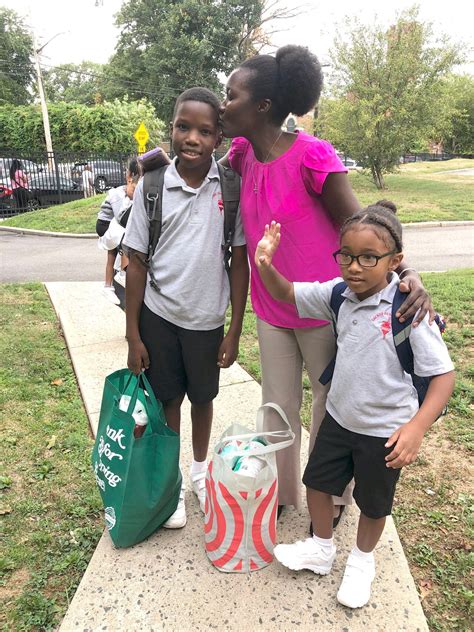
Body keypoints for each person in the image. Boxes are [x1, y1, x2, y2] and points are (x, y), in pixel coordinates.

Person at [219, 44, 432, 518]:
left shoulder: (312, 156)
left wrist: (404, 270)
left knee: (327, 401)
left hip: (322, 308)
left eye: (230, 95)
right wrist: (151, 159)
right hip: (272, 307)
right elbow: (196, 142)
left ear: (263, 107)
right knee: (276, 405)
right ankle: (281, 493)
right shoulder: (241, 154)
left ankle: (331, 493)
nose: (222, 104)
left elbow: (363, 224)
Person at [255, 204, 454, 608]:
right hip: (340, 418)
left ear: (395, 261)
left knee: (373, 503)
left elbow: (443, 376)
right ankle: (322, 548)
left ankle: (362, 563)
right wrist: (264, 263)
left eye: (368, 258)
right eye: (346, 255)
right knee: (317, 483)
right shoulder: (338, 294)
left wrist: (416, 428)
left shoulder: (409, 310)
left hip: (385, 431)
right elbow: (287, 293)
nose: (354, 266)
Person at [123, 87, 249, 528]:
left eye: (204, 130)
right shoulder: (154, 186)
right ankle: (173, 481)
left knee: (204, 398)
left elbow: (238, 263)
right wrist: (133, 333)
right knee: (168, 400)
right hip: (159, 317)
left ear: (219, 138)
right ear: (171, 128)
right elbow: (136, 261)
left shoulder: (229, 187)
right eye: (183, 127)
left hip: (206, 320)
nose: (191, 138)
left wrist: (233, 330)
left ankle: (200, 472)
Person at [96, 157, 141, 304]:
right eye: (135, 189)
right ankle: (122, 273)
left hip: (114, 227)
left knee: (111, 255)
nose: (135, 193)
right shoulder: (117, 194)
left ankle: (108, 287)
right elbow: (121, 218)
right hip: (105, 224)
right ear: (128, 179)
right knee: (126, 239)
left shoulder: (129, 195)